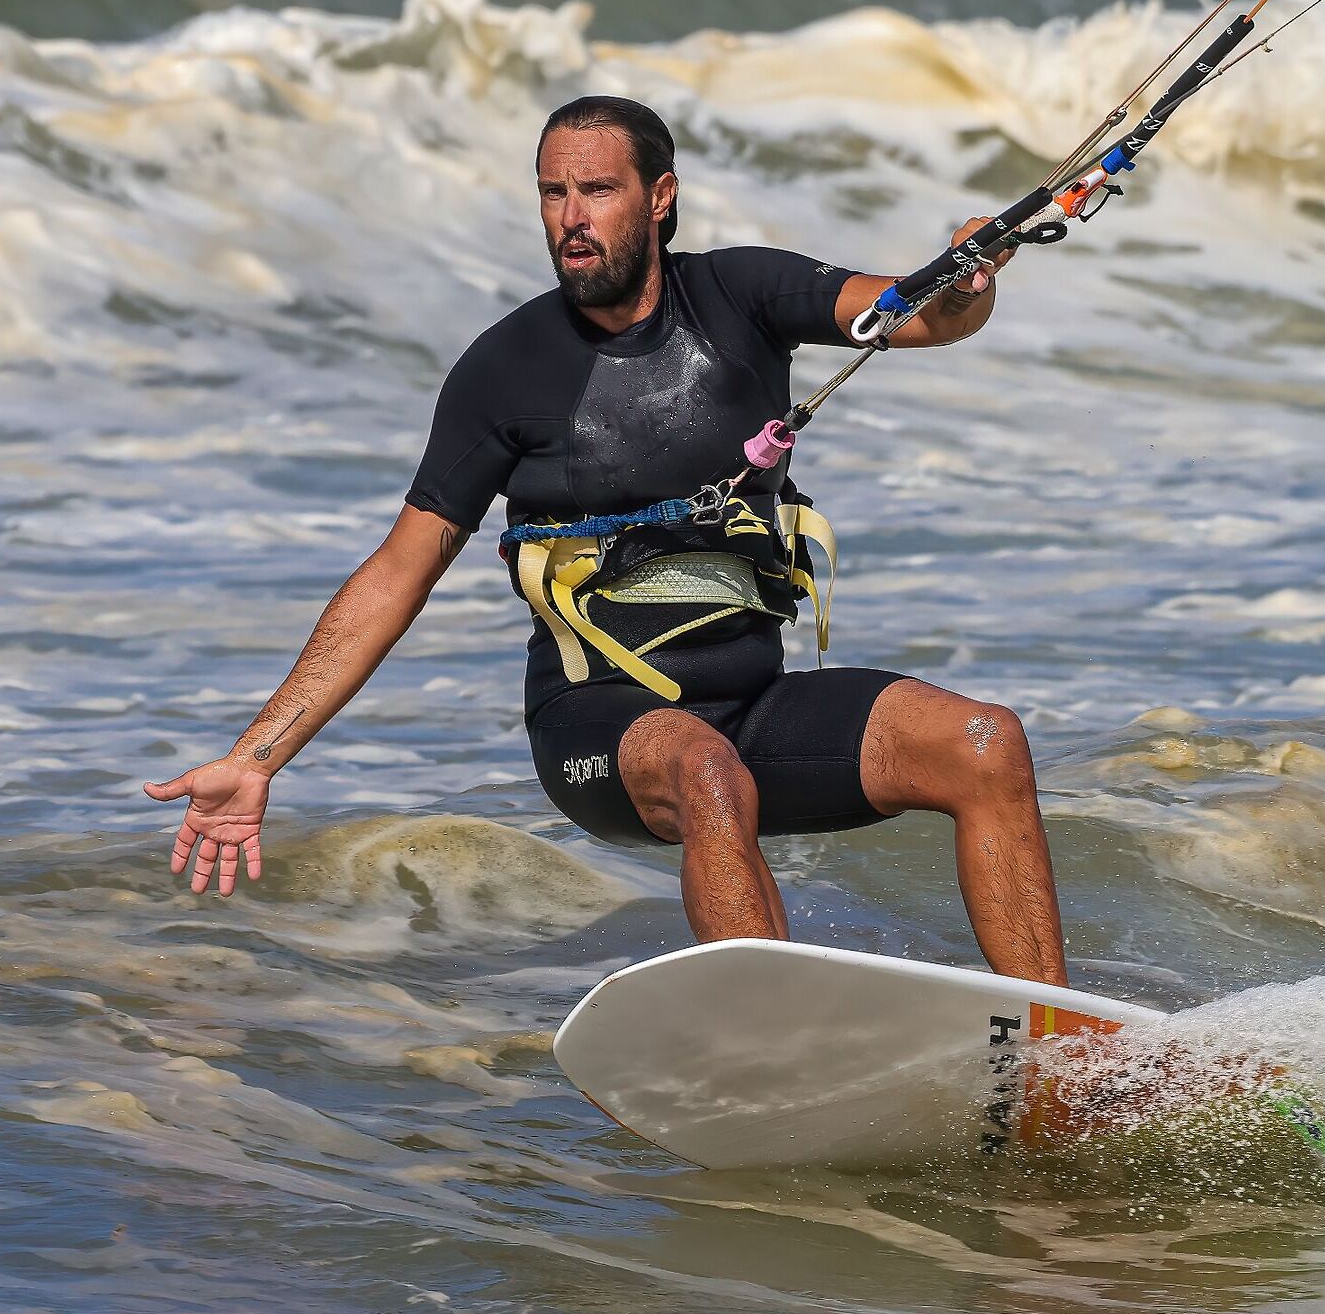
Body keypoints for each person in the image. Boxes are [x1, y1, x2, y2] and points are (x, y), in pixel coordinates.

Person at [146, 95, 1068, 985]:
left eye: (597, 191)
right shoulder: (504, 372)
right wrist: (257, 755)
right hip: (597, 730)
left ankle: (1056, 1049)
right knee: (705, 772)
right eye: (553, 193)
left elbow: (916, 313)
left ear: (659, 198)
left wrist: (968, 272)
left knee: (984, 742)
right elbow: (397, 573)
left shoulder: (739, 295)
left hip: (753, 709)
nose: (570, 219)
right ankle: (776, 1042)